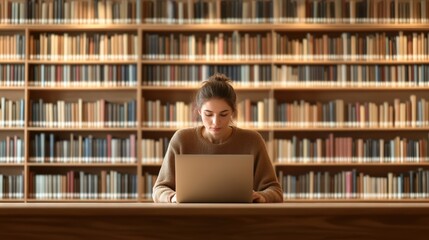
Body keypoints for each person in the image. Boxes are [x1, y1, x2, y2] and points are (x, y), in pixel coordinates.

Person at [152, 73, 283, 203]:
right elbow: (159, 189)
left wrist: (262, 197)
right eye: (208, 114)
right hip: (191, 219)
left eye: (223, 114)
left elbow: (275, 191)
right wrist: (173, 197)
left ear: (232, 112)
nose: (216, 122)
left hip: (240, 219)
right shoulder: (182, 139)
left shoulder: (253, 140)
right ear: (199, 111)